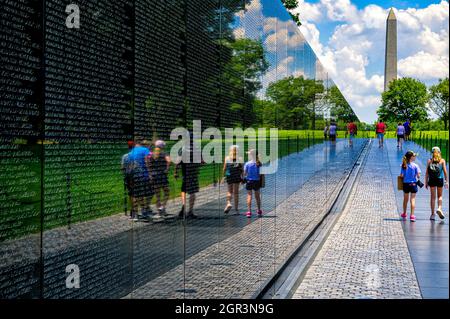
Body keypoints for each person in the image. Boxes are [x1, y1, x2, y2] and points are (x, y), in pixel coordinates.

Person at [174, 138, 201, 219]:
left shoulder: (183, 149)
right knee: (192, 192)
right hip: (193, 173)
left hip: (185, 173)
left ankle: (183, 204)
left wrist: (176, 172)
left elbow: (178, 162)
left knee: (184, 190)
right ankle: (190, 211)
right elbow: (201, 162)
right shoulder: (197, 149)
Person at [127, 138, 153, 222]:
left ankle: (135, 214)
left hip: (134, 175)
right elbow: (147, 161)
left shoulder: (131, 152)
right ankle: (144, 211)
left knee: (135, 195)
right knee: (147, 193)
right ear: (141, 142)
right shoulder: (145, 150)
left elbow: (130, 165)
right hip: (143, 175)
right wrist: (150, 173)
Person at [146, 147, 170, 222]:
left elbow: (147, 164)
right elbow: (169, 161)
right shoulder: (163, 154)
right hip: (162, 175)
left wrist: (150, 173)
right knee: (166, 192)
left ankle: (160, 211)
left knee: (157, 195)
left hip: (154, 176)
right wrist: (167, 169)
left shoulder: (151, 155)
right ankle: (163, 207)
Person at [425, 147, 448, 220]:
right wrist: (447, 181)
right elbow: (445, 172)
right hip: (439, 179)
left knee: (432, 197)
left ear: (432, 153)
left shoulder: (429, 160)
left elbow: (427, 173)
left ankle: (432, 214)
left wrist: (426, 182)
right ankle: (439, 208)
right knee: (440, 196)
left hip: (432, 180)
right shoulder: (442, 161)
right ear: (439, 152)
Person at [400, 151, 421, 222]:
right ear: (411, 157)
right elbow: (418, 175)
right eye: (414, 156)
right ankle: (412, 215)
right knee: (413, 199)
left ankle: (404, 213)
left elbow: (401, 176)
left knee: (405, 200)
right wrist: (416, 175)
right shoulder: (415, 166)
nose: (415, 157)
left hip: (406, 184)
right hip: (413, 184)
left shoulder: (404, 165)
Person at [222, 145, 243, 215]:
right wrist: (242, 177)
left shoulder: (227, 158)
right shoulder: (240, 158)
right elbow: (242, 169)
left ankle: (228, 203)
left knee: (229, 191)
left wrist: (223, 176)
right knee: (236, 193)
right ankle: (236, 210)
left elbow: (224, 168)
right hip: (237, 176)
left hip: (229, 175)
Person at [244, 149, 262, 218]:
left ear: (251, 155)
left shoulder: (247, 164)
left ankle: (249, 212)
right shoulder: (259, 163)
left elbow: (245, 173)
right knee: (257, 197)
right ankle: (259, 210)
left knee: (249, 196)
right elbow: (260, 174)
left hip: (249, 181)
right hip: (257, 181)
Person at [121, 141, 135, 218]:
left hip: (127, 176)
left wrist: (124, 174)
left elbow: (122, 167)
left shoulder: (124, 156)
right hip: (135, 176)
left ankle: (132, 209)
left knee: (130, 194)